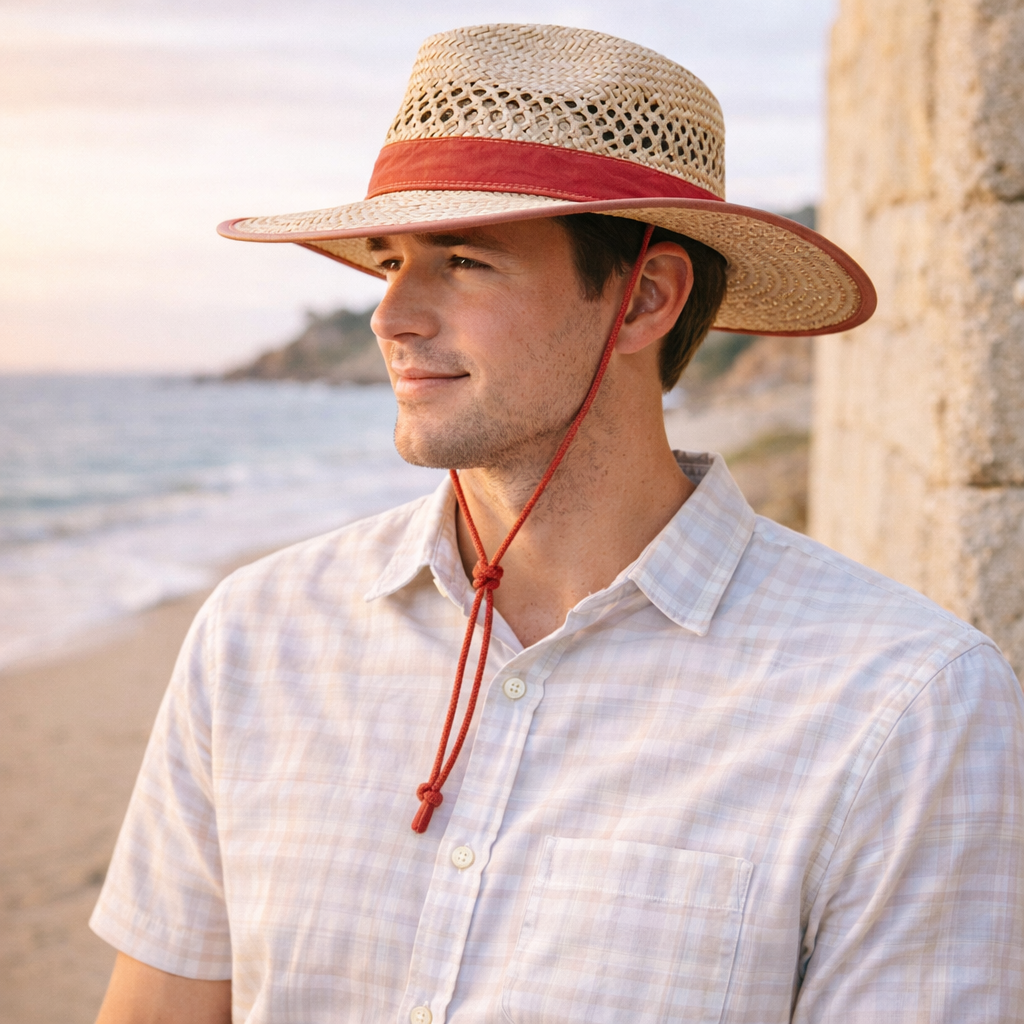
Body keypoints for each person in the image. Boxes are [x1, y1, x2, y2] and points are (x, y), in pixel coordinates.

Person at [91, 24, 1024, 1024]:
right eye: (391, 258)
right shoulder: (256, 637)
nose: (391, 315)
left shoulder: (906, 709)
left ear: (644, 300)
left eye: (462, 259)